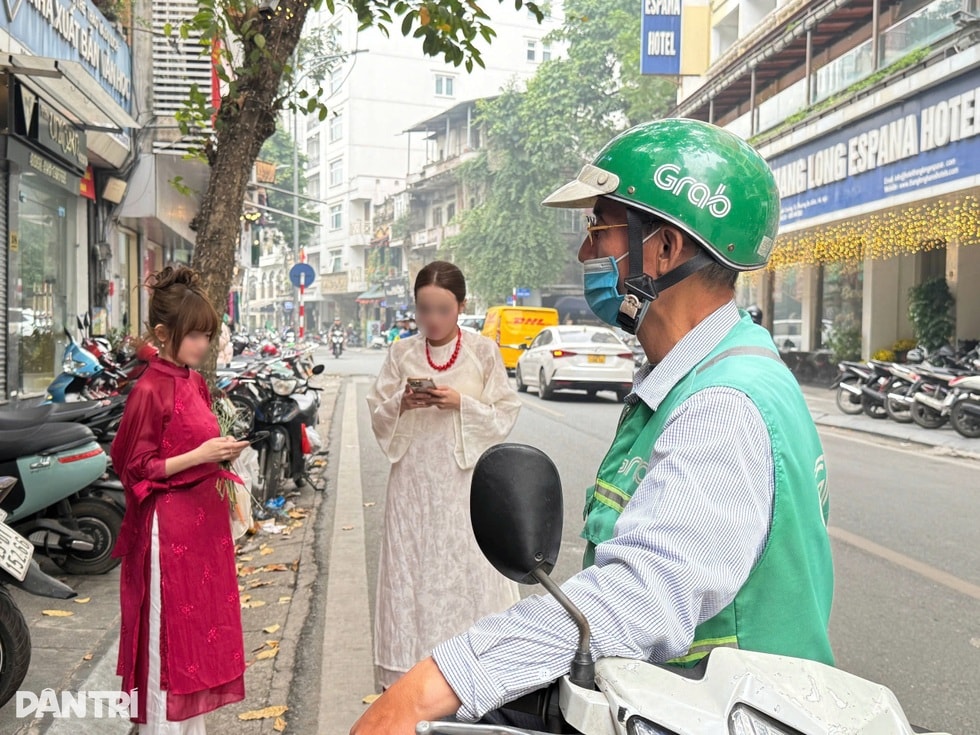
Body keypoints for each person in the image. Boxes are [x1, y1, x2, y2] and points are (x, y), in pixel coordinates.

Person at [351, 119, 834, 733]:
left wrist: (430, 686)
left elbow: (642, 595)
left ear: (663, 249)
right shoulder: (718, 369)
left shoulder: (722, 404)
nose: (585, 254)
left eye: (599, 231)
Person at [365, 260, 522, 691]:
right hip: (413, 482)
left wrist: (460, 404)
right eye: (424, 310)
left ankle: (475, 669)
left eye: (442, 310)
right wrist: (401, 403)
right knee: (411, 568)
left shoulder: (483, 351)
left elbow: (505, 411)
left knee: (466, 568)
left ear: (461, 306)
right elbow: (377, 411)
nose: (432, 320)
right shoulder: (401, 352)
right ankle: (408, 671)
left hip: (463, 482)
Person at [111, 265, 250, 734]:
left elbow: (197, 442)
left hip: (201, 530)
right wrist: (200, 455)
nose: (203, 344)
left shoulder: (193, 380)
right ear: (163, 333)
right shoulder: (149, 389)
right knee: (166, 642)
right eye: (193, 335)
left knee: (195, 640)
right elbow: (134, 468)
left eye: (207, 334)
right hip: (167, 534)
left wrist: (220, 455)